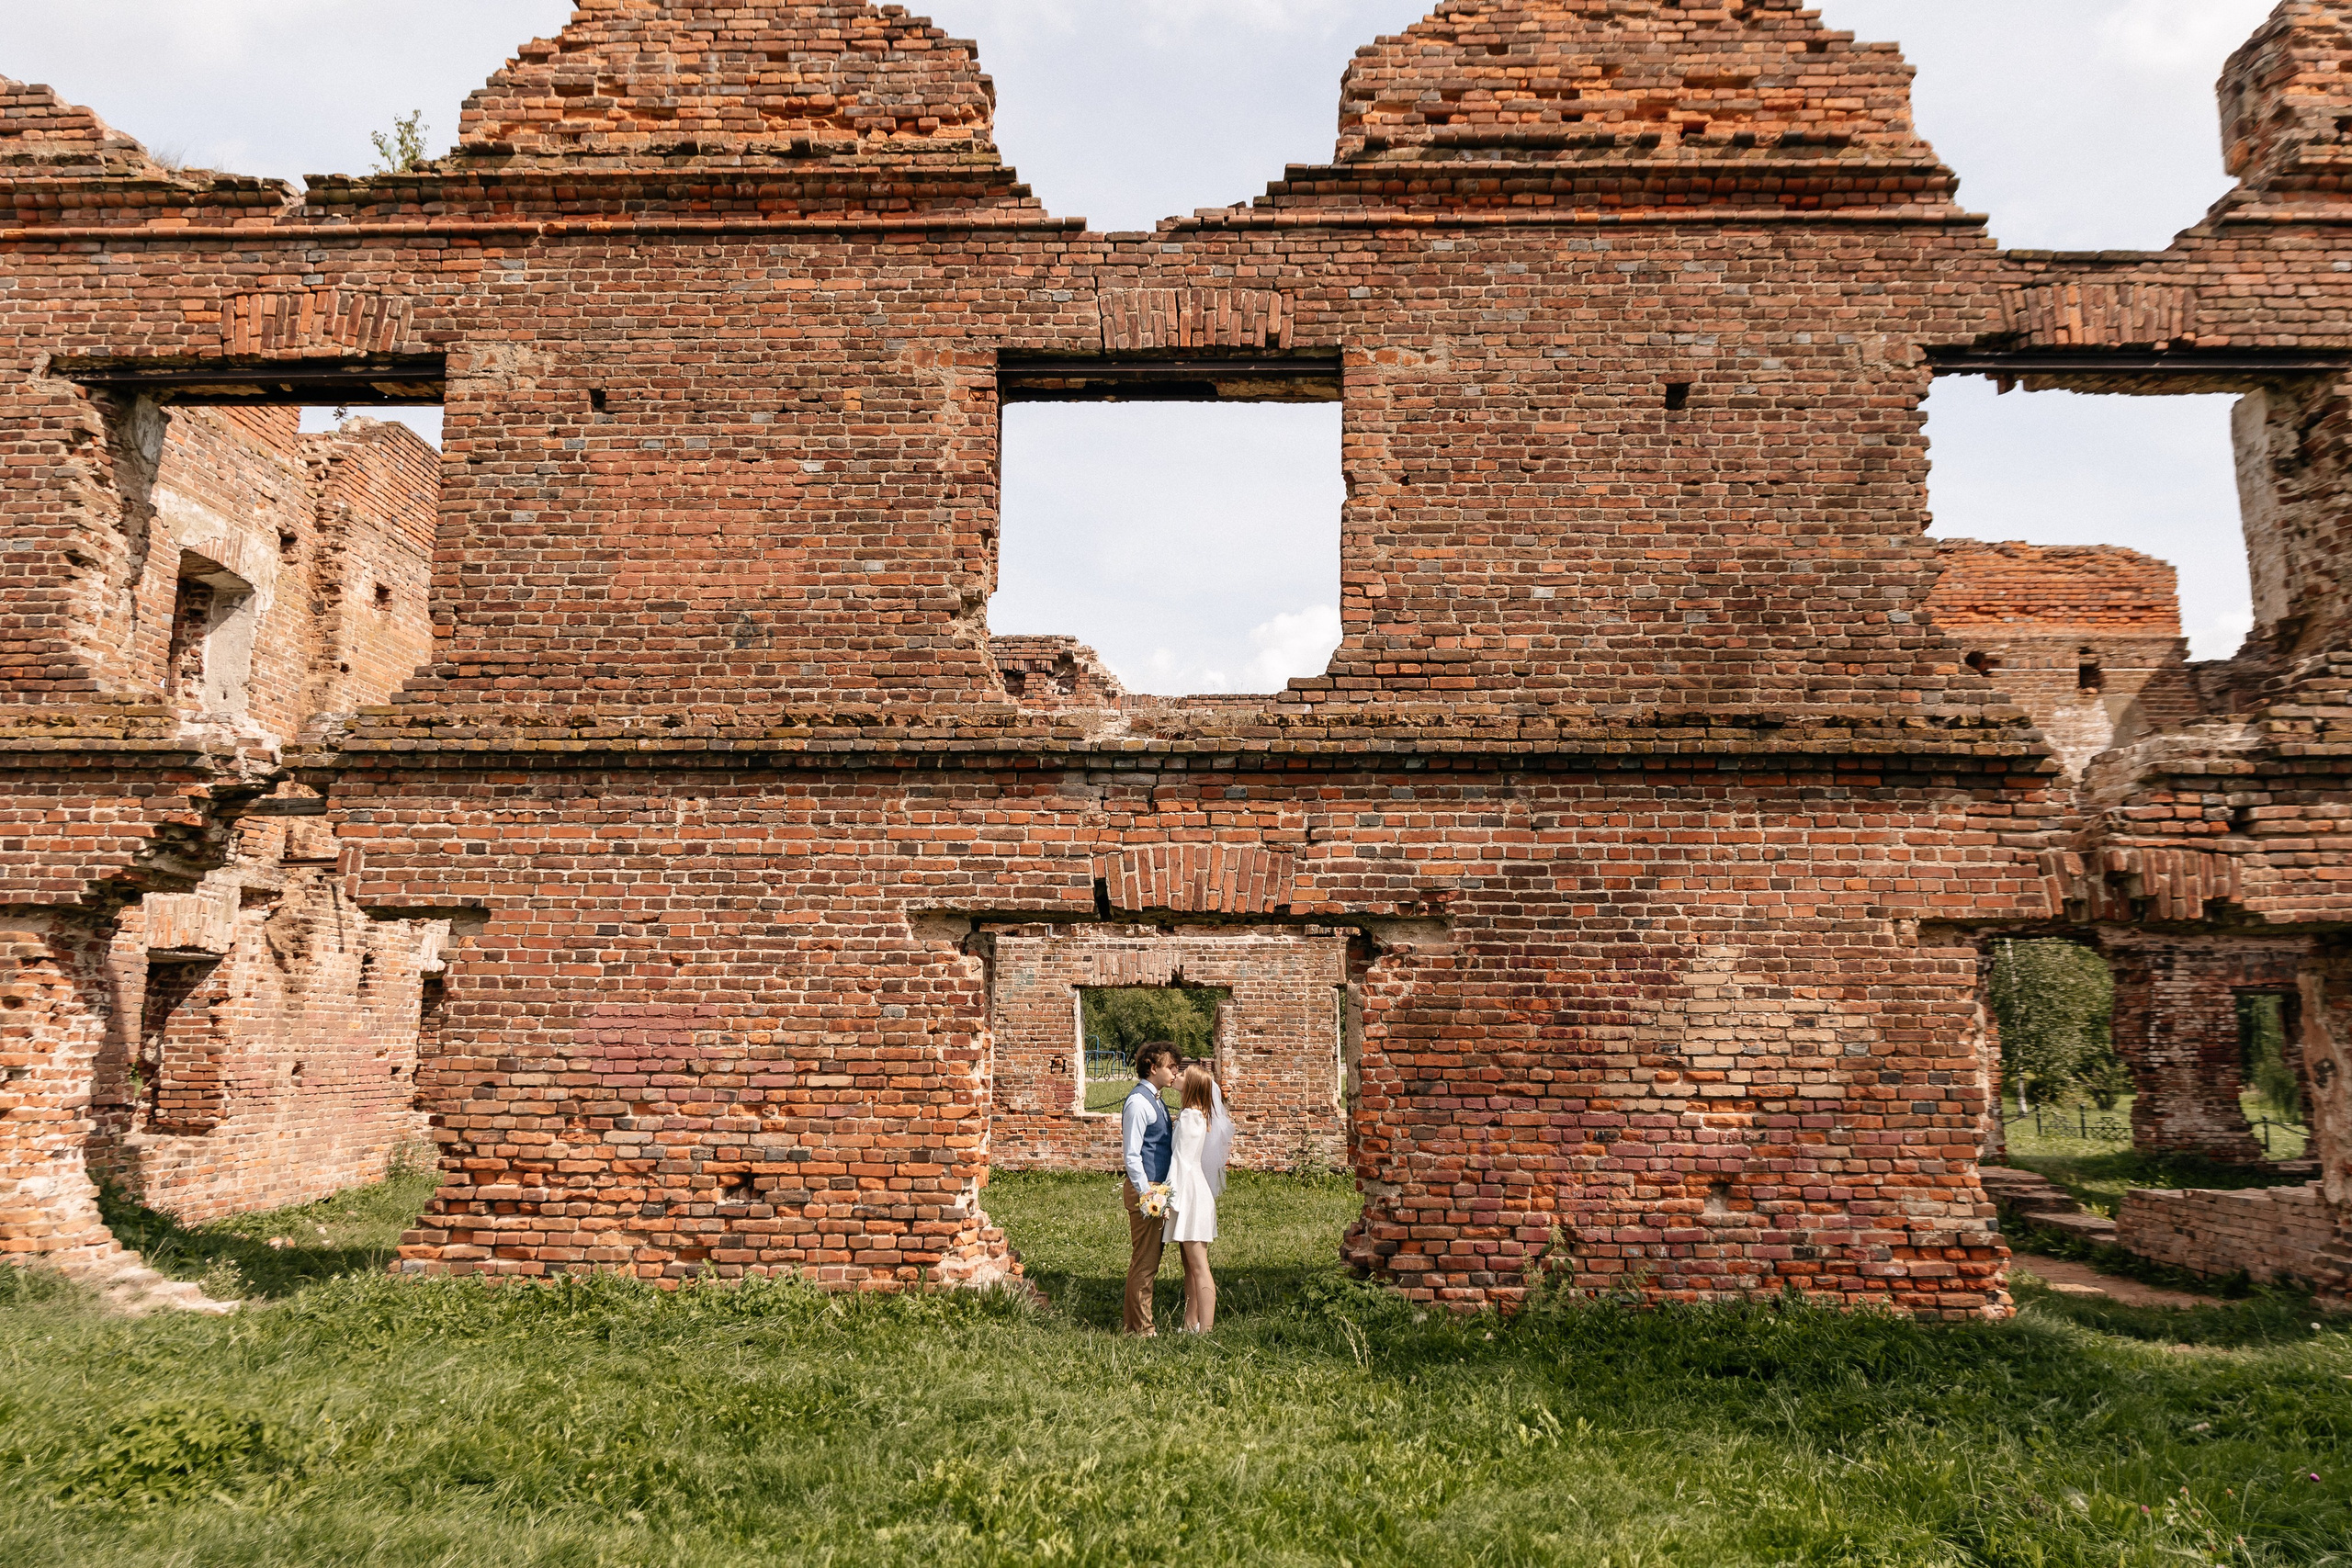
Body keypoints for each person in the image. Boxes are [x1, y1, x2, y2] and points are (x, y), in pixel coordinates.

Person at [1165, 1063, 1235, 1334]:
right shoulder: (1193, 1115)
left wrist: (1169, 1199)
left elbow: (1180, 1163)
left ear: (1192, 1084)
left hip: (1190, 1194)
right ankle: (1189, 1323)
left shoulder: (1192, 1119)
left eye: (1182, 1074)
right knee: (1190, 1267)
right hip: (1193, 1190)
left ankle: (1206, 1329)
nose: (1176, 1076)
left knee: (1200, 1267)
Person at [1120, 1041, 1183, 1336]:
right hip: (1147, 1190)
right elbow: (1132, 1156)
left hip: (1157, 1189)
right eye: (1170, 1066)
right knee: (1145, 1264)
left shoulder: (1156, 1098)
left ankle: (1135, 1325)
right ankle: (1141, 1329)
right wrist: (1150, 1197)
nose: (1175, 1071)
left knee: (1148, 1262)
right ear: (1152, 1067)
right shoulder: (1138, 1102)